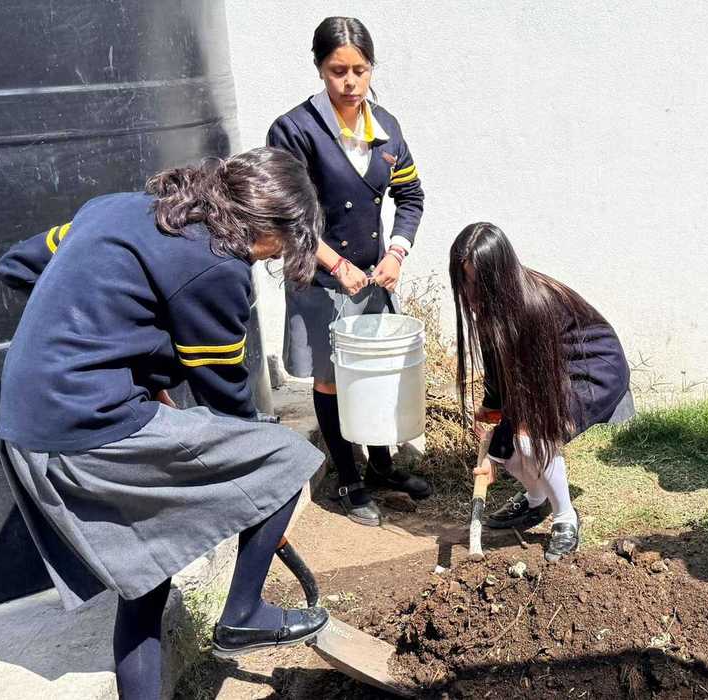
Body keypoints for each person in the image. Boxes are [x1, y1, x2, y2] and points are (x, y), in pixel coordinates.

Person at [0, 148, 330, 700]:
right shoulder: (218, 265)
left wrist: (109, 343)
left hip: (32, 426)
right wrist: (257, 494)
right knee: (285, 459)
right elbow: (227, 403)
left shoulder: (117, 209)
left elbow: (19, 264)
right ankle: (243, 613)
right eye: (282, 246)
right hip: (89, 426)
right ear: (267, 226)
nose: (273, 258)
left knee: (150, 574)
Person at [267, 16, 429, 526]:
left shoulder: (387, 128)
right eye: (338, 70)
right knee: (332, 379)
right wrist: (335, 263)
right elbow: (284, 214)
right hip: (319, 277)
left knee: (375, 371)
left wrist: (397, 253)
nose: (350, 81)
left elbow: (410, 196)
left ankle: (380, 465)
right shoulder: (293, 131)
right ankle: (348, 477)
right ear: (319, 69)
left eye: (359, 69)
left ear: (371, 68)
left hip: (373, 277)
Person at [451, 223, 633, 562]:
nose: (470, 295)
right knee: (511, 447)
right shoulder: (491, 308)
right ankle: (535, 500)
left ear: (499, 277)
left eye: (478, 284)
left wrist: (494, 454)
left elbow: (532, 395)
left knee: (528, 440)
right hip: (549, 373)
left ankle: (565, 518)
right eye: (464, 282)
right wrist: (492, 410)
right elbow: (500, 370)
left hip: (592, 368)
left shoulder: (533, 307)